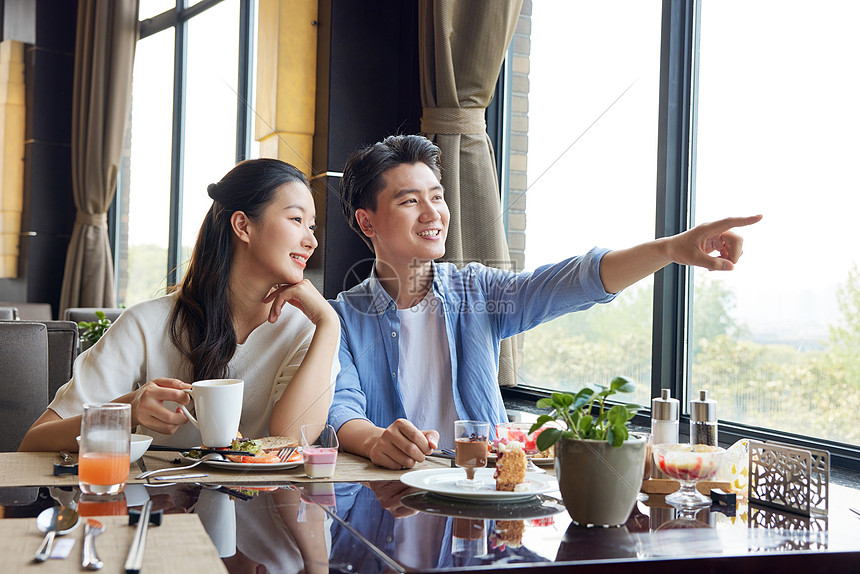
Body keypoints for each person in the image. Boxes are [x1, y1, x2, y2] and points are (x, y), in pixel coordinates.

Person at [273, 134, 761, 470]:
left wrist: (670, 250)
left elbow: (571, 281)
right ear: (367, 222)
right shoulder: (345, 316)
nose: (433, 213)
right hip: (389, 502)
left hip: (479, 499)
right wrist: (376, 439)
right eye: (409, 201)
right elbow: (339, 410)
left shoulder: (481, 291)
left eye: (437, 197)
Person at [18, 158, 340, 452]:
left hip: (263, 511)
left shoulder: (307, 330)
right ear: (243, 226)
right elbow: (35, 441)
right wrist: (128, 411)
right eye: (296, 219)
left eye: (311, 226)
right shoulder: (146, 324)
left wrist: (329, 324)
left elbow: (290, 437)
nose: (311, 240)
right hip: (158, 509)